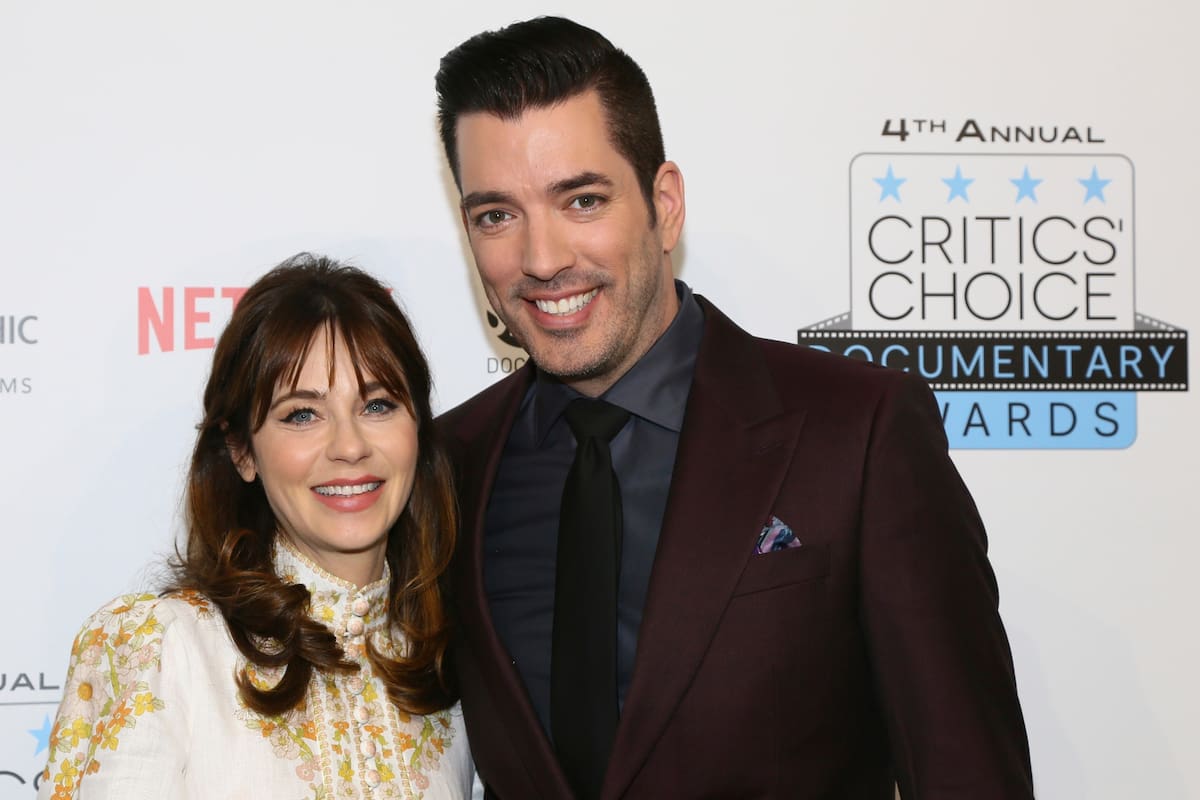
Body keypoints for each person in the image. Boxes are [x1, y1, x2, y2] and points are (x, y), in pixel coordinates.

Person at [434, 17, 1034, 800]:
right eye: (496, 216)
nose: (542, 259)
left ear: (665, 204)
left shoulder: (858, 432)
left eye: (581, 200)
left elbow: (965, 773)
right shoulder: (449, 464)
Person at [38, 255, 472, 799]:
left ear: (419, 431)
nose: (351, 446)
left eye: (378, 404)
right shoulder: (161, 649)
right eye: (301, 415)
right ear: (242, 451)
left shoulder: (444, 664)